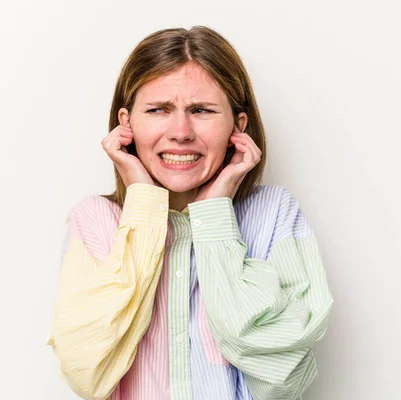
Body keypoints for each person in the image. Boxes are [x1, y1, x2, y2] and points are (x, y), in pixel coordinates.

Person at [46, 25, 333, 400]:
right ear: (126, 124)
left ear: (238, 126)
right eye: (158, 110)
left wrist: (215, 219)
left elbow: (282, 381)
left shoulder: (274, 214)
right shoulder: (94, 221)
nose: (180, 132)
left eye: (201, 110)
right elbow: (87, 372)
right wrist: (145, 210)